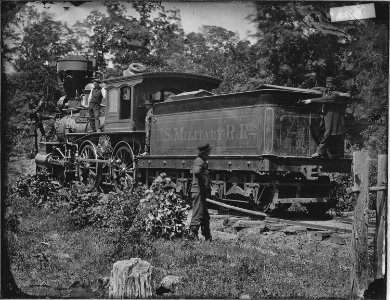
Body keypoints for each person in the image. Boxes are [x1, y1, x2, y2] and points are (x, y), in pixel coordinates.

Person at [302, 77, 348, 158]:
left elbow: (323, 100)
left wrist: (310, 100)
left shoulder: (334, 94)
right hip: (324, 117)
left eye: (329, 84)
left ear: (334, 85)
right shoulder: (326, 90)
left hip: (332, 120)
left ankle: (319, 152)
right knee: (319, 132)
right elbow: (320, 88)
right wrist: (310, 89)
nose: (327, 86)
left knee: (327, 134)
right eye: (327, 84)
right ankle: (324, 152)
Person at [189, 143, 213, 242]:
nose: (209, 153)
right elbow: (197, 171)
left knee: (204, 215)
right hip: (198, 190)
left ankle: (207, 237)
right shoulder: (200, 161)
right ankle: (192, 236)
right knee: (198, 213)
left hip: (200, 191)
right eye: (208, 151)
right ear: (205, 152)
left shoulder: (201, 160)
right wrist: (203, 182)